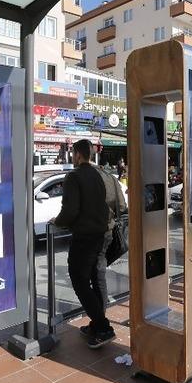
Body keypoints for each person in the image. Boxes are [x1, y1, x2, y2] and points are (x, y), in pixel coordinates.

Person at [53, 139, 126, 348]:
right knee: (97, 276)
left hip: (85, 237)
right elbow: (119, 204)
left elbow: (70, 211)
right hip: (104, 234)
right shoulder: (104, 175)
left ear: (77, 154)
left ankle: (103, 327)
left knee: (79, 279)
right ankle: (97, 323)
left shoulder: (74, 176)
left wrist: (58, 222)